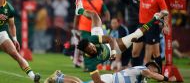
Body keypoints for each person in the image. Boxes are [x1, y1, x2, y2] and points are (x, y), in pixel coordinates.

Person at [74, 0, 168, 83]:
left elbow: (110, 39)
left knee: (95, 16)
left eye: (92, 46)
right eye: (91, 50)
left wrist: (114, 52)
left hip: (112, 47)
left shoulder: (92, 39)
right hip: (108, 55)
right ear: (86, 52)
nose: (93, 48)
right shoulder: (89, 62)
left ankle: (155, 18)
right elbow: (98, 81)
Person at [124, 0, 169, 71]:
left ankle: (160, 75)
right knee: (135, 52)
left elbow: (165, 12)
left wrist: (166, 26)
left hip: (153, 27)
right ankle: (134, 74)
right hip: (141, 26)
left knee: (155, 53)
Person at [0, 0, 40, 83]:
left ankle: (33, 76)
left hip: (1, 33)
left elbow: (12, 25)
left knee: (15, 54)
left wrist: (15, 39)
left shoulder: (9, 8)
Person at [73, 0, 110, 70]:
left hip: (95, 26)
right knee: (86, 46)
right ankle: (87, 65)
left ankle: (93, 65)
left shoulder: (100, 1)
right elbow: (76, 15)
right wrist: (75, 26)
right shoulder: (83, 1)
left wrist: (105, 21)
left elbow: (107, 13)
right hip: (84, 27)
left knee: (96, 47)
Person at [44, 61, 176, 83]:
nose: (154, 71)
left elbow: (123, 69)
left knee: (81, 82)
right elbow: (154, 75)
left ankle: (60, 75)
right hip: (110, 81)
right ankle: (57, 79)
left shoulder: (142, 77)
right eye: (155, 69)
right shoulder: (144, 69)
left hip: (111, 78)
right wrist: (167, 79)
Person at [118, 0, 144, 67]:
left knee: (142, 44)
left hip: (141, 23)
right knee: (134, 43)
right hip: (132, 23)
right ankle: (133, 64)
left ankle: (138, 64)